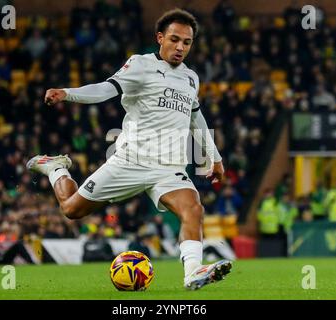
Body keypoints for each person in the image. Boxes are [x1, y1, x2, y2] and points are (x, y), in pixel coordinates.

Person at [27, 9, 232, 290]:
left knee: (193, 209)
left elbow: (197, 118)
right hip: (130, 161)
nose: (180, 47)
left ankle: (193, 272)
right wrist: (67, 92)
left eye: (187, 42)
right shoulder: (140, 65)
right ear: (160, 38)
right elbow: (105, 89)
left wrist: (215, 159)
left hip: (169, 168)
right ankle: (56, 168)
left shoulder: (191, 78)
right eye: (174, 39)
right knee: (72, 209)